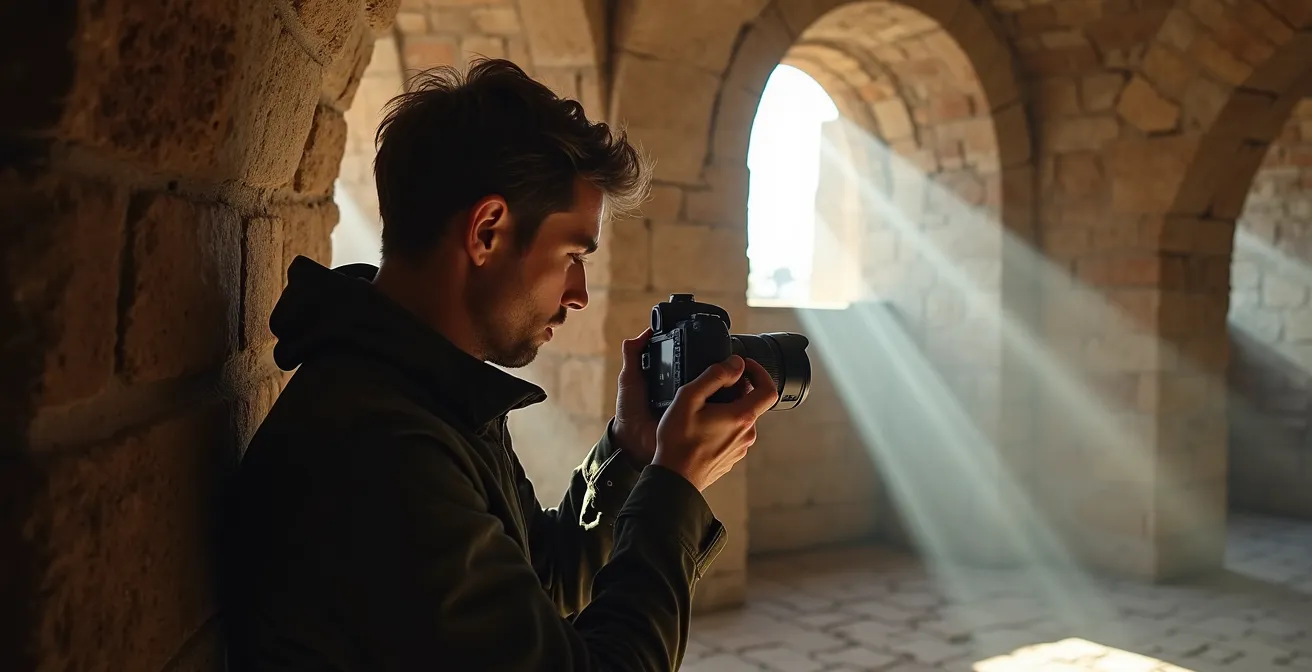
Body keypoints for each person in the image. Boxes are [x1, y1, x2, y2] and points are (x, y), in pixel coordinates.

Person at [222, 58, 778, 671]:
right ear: (487, 231)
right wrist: (676, 489)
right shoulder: (381, 446)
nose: (579, 293)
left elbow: (540, 573)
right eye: (571, 253)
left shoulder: (424, 390)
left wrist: (634, 452)